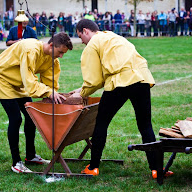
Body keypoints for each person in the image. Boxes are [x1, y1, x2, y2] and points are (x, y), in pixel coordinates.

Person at [71, 19, 173, 179]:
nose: (82, 42)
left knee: (101, 123)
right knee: (145, 125)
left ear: (85, 31)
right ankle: (156, 170)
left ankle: (93, 167)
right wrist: (82, 89)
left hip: (120, 82)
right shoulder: (113, 36)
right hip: (142, 78)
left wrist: (82, 93)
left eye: (80, 37)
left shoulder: (92, 44)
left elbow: (94, 81)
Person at [0, 32, 73, 173]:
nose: (61, 56)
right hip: (3, 80)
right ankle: (16, 162)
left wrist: (50, 93)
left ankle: (30, 156)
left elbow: (49, 82)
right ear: (51, 45)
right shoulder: (31, 50)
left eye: (63, 53)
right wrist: (48, 92)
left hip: (20, 83)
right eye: (60, 52)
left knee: (30, 117)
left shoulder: (52, 59)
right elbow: (30, 83)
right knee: (16, 119)